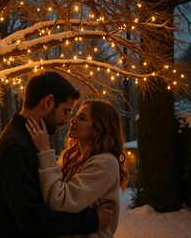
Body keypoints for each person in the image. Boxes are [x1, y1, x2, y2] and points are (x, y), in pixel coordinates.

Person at [0, 72, 114, 238]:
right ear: (48, 102)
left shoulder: (25, 140)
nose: (67, 121)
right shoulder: (16, 146)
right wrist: (93, 220)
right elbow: (33, 220)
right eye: (66, 111)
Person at [25, 100, 128, 238]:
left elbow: (60, 201)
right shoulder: (73, 158)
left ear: (98, 129)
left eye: (82, 118)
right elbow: (50, 191)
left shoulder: (105, 162)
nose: (72, 120)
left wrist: (44, 150)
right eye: (76, 115)